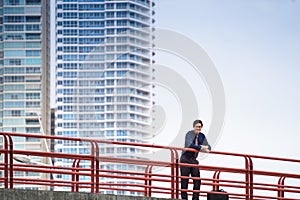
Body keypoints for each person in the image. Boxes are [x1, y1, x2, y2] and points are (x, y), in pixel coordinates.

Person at [180, 119, 211, 200]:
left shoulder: (202, 136)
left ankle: (195, 199)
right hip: (185, 158)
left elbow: (209, 147)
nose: (198, 128)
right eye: (197, 126)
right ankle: (184, 199)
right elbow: (190, 145)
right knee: (184, 180)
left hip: (194, 159)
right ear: (193, 127)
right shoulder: (189, 134)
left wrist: (203, 147)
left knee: (197, 180)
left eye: (200, 127)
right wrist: (201, 147)